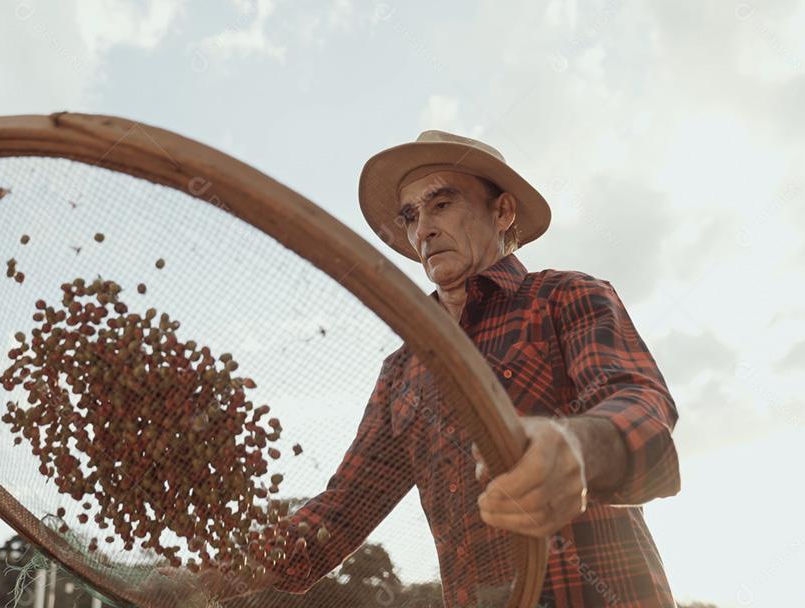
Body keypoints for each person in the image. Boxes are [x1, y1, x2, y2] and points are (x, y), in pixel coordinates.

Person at [145, 131, 681, 607]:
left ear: (503, 212)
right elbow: (341, 512)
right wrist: (212, 574)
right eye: (410, 216)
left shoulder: (563, 296)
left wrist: (577, 449)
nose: (422, 229)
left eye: (441, 203)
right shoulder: (404, 371)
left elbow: (640, 404)